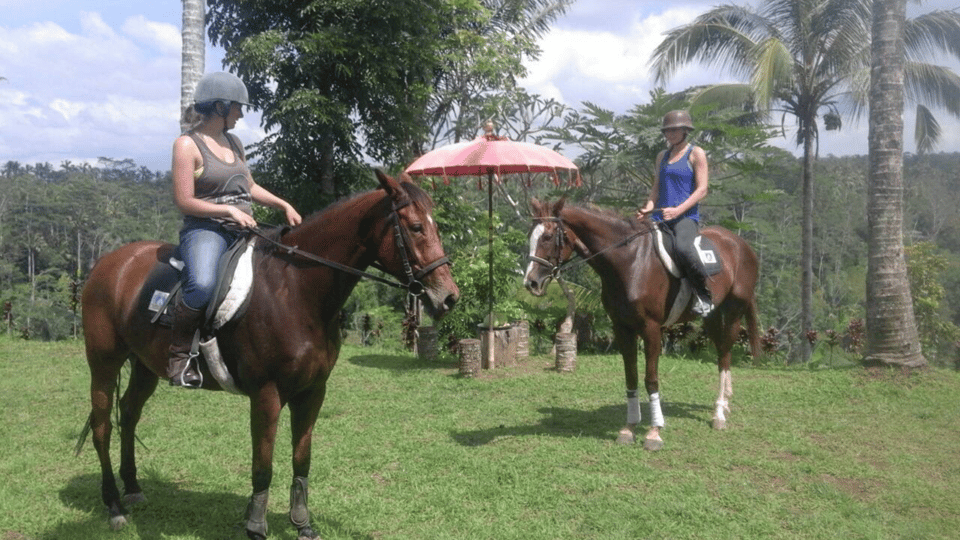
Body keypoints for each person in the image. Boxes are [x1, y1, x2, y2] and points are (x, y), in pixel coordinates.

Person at [168, 71, 302, 388]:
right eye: (237, 107)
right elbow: (184, 201)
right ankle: (179, 356)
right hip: (206, 230)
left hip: (245, 229)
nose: (241, 114)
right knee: (201, 285)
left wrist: (283, 204)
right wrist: (227, 209)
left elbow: (249, 186)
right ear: (220, 107)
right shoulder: (187, 145)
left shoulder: (234, 142)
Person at [636, 110, 713, 317]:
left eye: (673, 130)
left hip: (685, 218)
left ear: (685, 130)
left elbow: (702, 189)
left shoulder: (696, 153)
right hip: (660, 217)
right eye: (667, 130)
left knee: (683, 248)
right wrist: (648, 208)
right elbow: (656, 189)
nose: (669, 134)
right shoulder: (662, 156)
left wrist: (678, 210)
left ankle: (703, 296)